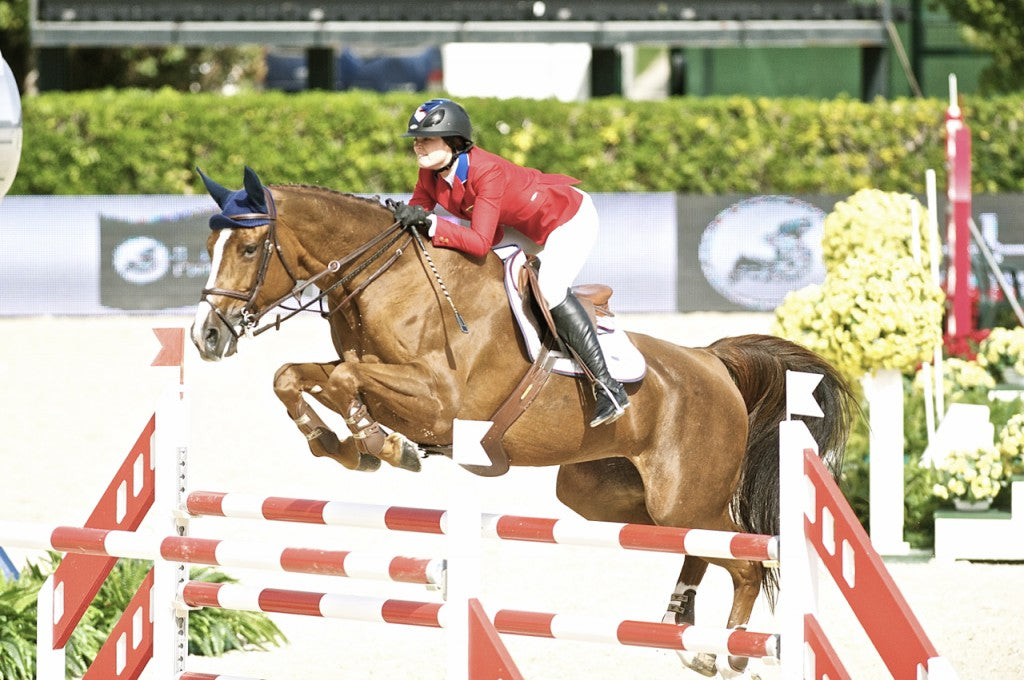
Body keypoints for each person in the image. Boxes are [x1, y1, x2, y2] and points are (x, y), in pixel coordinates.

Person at [388, 98, 629, 427]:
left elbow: (478, 241)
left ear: (454, 142)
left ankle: (608, 387)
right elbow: (420, 215)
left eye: (427, 139)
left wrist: (431, 224)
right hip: (517, 227)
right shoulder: (429, 173)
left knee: (551, 289)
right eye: (416, 140)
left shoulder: (485, 172)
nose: (418, 146)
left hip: (566, 220)